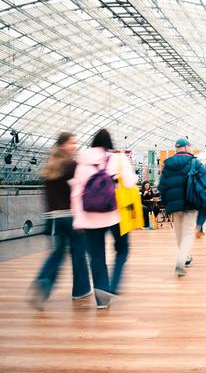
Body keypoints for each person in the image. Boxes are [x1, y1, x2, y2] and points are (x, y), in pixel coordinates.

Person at [70, 129, 137, 308]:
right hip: (116, 215)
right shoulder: (119, 159)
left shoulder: (82, 162)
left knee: (97, 258)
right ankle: (114, 284)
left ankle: (102, 299)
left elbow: (76, 193)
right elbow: (131, 183)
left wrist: (78, 219)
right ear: (110, 142)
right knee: (122, 250)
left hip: (90, 217)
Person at [30, 132, 92, 310]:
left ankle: (44, 280)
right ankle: (81, 290)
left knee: (57, 253)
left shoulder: (49, 168)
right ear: (63, 145)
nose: (74, 146)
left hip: (53, 219)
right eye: (72, 143)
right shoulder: (71, 166)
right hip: (71, 217)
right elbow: (78, 192)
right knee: (79, 253)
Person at [158, 138, 206, 276]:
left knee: (179, 233)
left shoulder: (167, 165)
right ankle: (180, 263)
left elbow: (162, 186)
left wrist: (166, 203)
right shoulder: (195, 163)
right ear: (187, 147)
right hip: (190, 202)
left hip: (174, 204)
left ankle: (186, 257)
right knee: (187, 233)